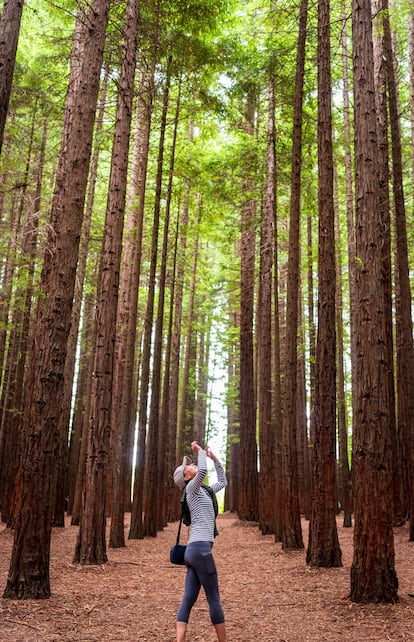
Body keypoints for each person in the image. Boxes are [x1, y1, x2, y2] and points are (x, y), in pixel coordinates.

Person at [173, 440, 228, 642]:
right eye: (190, 466)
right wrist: (200, 452)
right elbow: (203, 471)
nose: (194, 465)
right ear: (187, 477)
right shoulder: (191, 490)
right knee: (213, 598)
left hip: (194, 552)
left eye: (193, 462)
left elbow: (222, 482)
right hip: (200, 551)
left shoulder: (204, 491)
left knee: (189, 598)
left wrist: (216, 460)